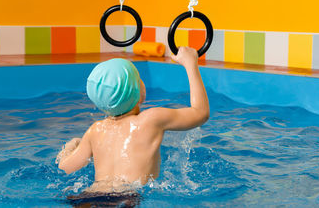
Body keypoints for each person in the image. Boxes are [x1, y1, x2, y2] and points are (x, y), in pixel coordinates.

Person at [57, 47, 210, 196]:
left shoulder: (95, 131)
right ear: (136, 92)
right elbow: (200, 113)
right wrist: (191, 64)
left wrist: (71, 145)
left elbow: (65, 168)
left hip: (89, 195)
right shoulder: (151, 119)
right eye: (139, 79)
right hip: (127, 197)